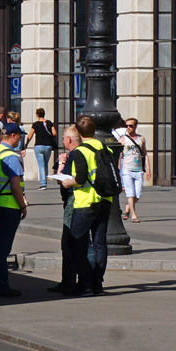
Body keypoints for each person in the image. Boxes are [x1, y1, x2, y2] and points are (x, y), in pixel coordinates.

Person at [67, 114, 113, 296]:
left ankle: (84, 283)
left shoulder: (80, 151)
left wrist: (67, 182)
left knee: (76, 241)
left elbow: (80, 178)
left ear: (78, 132)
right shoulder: (105, 148)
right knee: (100, 242)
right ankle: (97, 283)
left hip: (86, 201)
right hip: (105, 200)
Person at [0, 122, 28, 297]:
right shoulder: (11, 156)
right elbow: (16, 186)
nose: (20, 139)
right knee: (2, 249)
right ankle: (1, 287)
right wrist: (23, 206)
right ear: (13, 136)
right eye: (20, 136)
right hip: (9, 205)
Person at [47, 126, 82, 295]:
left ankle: (69, 282)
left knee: (68, 242)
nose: (62, 141)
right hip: (83, 202)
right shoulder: (83, 152)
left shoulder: (74, 155)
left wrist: (61, 163)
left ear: (69, 139)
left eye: (63, 138)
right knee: (83, 242)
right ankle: (86, 281)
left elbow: (62, 179)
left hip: (73, 201)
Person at [119, 118, 151, 223]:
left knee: (138, 193)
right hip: (127, 169)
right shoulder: (123, 139)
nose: (128, 128)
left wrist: (148, 169)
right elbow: (119, 156)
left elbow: (145, 154)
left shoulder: (141, 138)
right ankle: (133, 215)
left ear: (136, 126)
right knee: (130, 193)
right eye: (126, 125)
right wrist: (119, 169)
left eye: (131, 126)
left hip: (138, 169)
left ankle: (128, 207)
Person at [25, 108, 58, 190]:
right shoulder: (49, 122)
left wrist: (26, 144)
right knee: (46, 164)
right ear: (44, 114)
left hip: (38, 146)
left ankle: (43, 184)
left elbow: (30, 136)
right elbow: (54, 133)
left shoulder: (35, 124)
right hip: (48, 146)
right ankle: (45, 181)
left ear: (37, 115)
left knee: (41, 165)